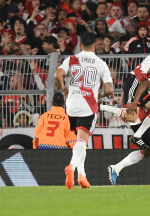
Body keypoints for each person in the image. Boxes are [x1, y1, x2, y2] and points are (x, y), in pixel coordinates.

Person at [100, 60, 150, 185]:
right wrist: (135, 103)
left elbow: (129, 93)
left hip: (140, 117)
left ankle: (116, 168)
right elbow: (145, 83)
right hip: (143, 118)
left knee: (147, 151)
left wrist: (127, 104)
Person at [54, 32, 114, 189]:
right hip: (88, 107)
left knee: (80, 142)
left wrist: (63, 89)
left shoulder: (71, 59)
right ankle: (72, 167)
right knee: (82, 141)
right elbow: (109, 89)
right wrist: (99, 95)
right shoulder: (100, 63)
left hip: (71, 106)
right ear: (95, 45)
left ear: (80, 45)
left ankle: (82, 175)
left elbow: (57, 74)